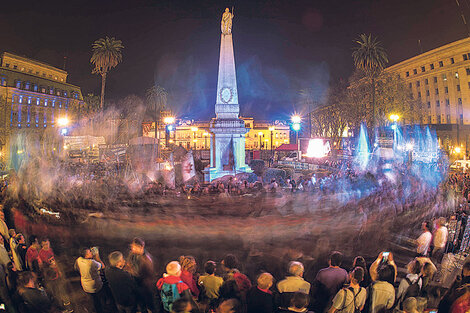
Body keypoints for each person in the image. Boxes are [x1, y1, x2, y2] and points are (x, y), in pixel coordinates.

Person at [125, 237, 156, 312]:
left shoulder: (146, 260)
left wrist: (129, 269)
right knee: (140, 302)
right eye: (132, 247)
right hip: (137, 283)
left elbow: (141, 274)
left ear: (141, 247)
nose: (132, 249)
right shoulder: (133, 253)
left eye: (134, 247)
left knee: (147, 301)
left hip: (144, 285)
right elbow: (128, 262)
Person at [74, 247, 106, 313]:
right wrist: (97, 257)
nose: (91, 253)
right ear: (86, 256)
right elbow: (102, 266)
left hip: (85, 285)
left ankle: (95, 308)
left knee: (93, 298)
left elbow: (76, 268)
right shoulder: (91, 263)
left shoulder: (78, 260)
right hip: (95, 285)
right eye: (89, 252)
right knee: (99, 299)